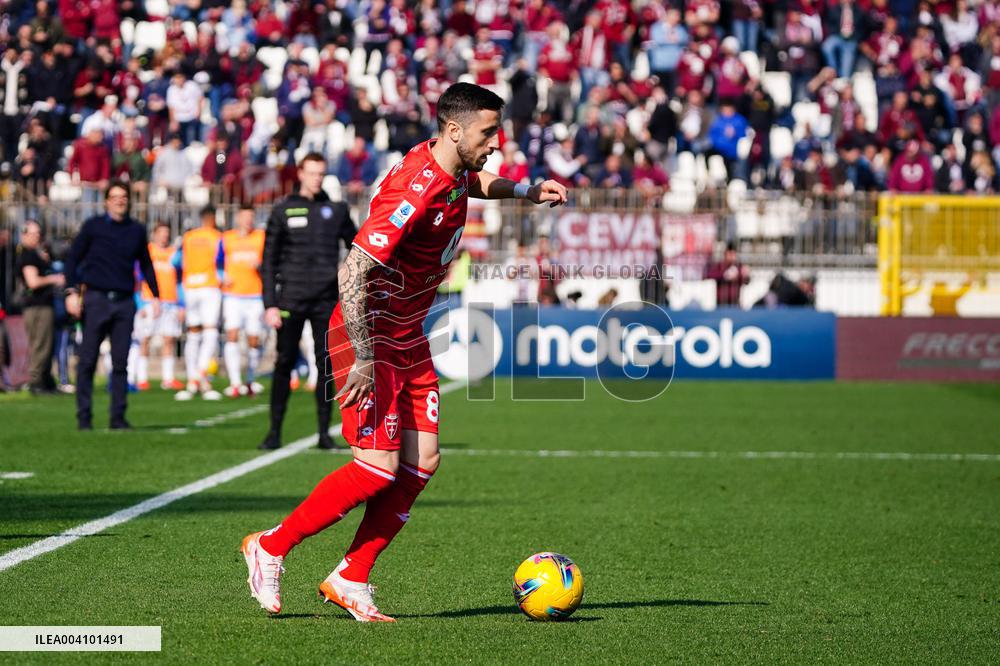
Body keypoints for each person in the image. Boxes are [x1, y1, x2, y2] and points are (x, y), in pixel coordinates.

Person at [240, 83, 568, 621]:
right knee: (376, 467)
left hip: (408, 333)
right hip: (366, 332)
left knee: (422, 461)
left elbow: (474, 181)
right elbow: (353, 270)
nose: (496, 143)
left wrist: (525, 191)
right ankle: (270, 547)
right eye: (489, 133)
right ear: (455, 129)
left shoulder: (450, 166)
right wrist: (364, 356)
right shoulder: (413, 190)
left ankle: (351, 576)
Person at [258, 152, 357, 451]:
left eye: (320, 173)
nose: (316, 178)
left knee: (325, 365)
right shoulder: (282, 210)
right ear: (300, 173)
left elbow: (357, 246)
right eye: (312, 172)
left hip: (325, 300)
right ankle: (274, 431)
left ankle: (324, 434)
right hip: (290, 298)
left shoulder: (336, 210)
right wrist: (270, 304)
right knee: (284, 363)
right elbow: (268, 261)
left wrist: (347, 270)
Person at [65, 181, 160, 430]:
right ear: (106, 201)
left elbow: (146, 263)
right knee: (87, 361)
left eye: (124, 197)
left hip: (124, 302)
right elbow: (73, 258)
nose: (120, 201)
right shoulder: (93, 227)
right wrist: (71, 291)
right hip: (96, 300)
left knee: (121, 362)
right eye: (115, 196)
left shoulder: (136, 230)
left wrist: (156, 296)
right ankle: (83, 417)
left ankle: (118, 417)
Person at [175, 206, 223, 401]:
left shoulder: (188, 237)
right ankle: (201, 375)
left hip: (190, 287)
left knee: (193, 334)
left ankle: (192, 378)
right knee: (210, 331)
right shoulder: (218, 237)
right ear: (212, 218)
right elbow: (223, 262)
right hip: (209, 287)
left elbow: (175, 261)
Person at [219, 205, 266, 398]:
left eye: (251, 217)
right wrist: (222, 275)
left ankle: (250, 379)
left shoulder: (261, 237)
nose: (248, 220)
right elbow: (216, 262)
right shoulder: (227, 238)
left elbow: (270, 262)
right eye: (245, 217)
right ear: (238, 218)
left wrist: (261, 266)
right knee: (232, 334)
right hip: (233, 295)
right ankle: (235, 382)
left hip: (255, 295)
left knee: (254, 339)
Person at [16, 221, 64, 395]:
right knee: (40, 345)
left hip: (43, 304)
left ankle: (46, 381)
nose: (37, 237)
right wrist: (54, 279)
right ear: (24, 235)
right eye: (33, 233)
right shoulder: (27, 255)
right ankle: (36, 382)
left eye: (38, 233)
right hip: (36, 306)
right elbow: (33, 282)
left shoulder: (36, 254)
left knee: (47, 344)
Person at [134, 222, 183, 391]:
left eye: (166, 233)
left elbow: (179, 280)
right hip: (149, 301)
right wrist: (139, 303)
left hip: (170, 302)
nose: (164, 236)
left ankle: (168, 378)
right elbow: (138, 278)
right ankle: (141, 378)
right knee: (145, 339)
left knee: (169, 339)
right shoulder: (147, 251)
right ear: (154, 234)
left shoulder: (174, 254)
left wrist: (181, 304)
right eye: (161, 233)